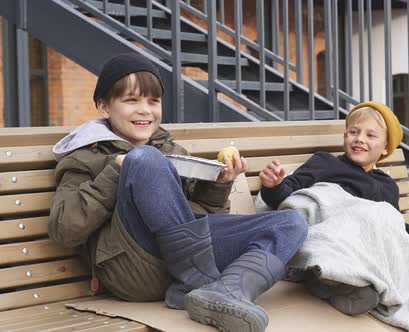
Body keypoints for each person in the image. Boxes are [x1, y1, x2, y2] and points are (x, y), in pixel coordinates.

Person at [49, 53, 308, 332]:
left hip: (180, 265)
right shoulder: (85, 156)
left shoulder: (172, 151)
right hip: (133, 269)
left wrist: (219, 185)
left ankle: (230, 291)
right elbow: (65, 230)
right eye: (131, 100)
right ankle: (200, 281)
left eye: (153, 101)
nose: (145, 110)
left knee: (290, 222)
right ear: (104, 106)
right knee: (144, 159)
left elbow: (198, 222)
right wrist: (116, 171)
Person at [259, 101, 409, 315]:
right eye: (353, 132)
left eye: (371, 135)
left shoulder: (387, 186)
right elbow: (287, 197)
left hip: (358, 249)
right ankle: (326, 276)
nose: (359, 139)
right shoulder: (326, 163)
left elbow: (393, 228)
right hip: (325, 234)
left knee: (381, 220)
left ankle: (336, 284)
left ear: (386, 148)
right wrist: (274, 186)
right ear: (345, 137)